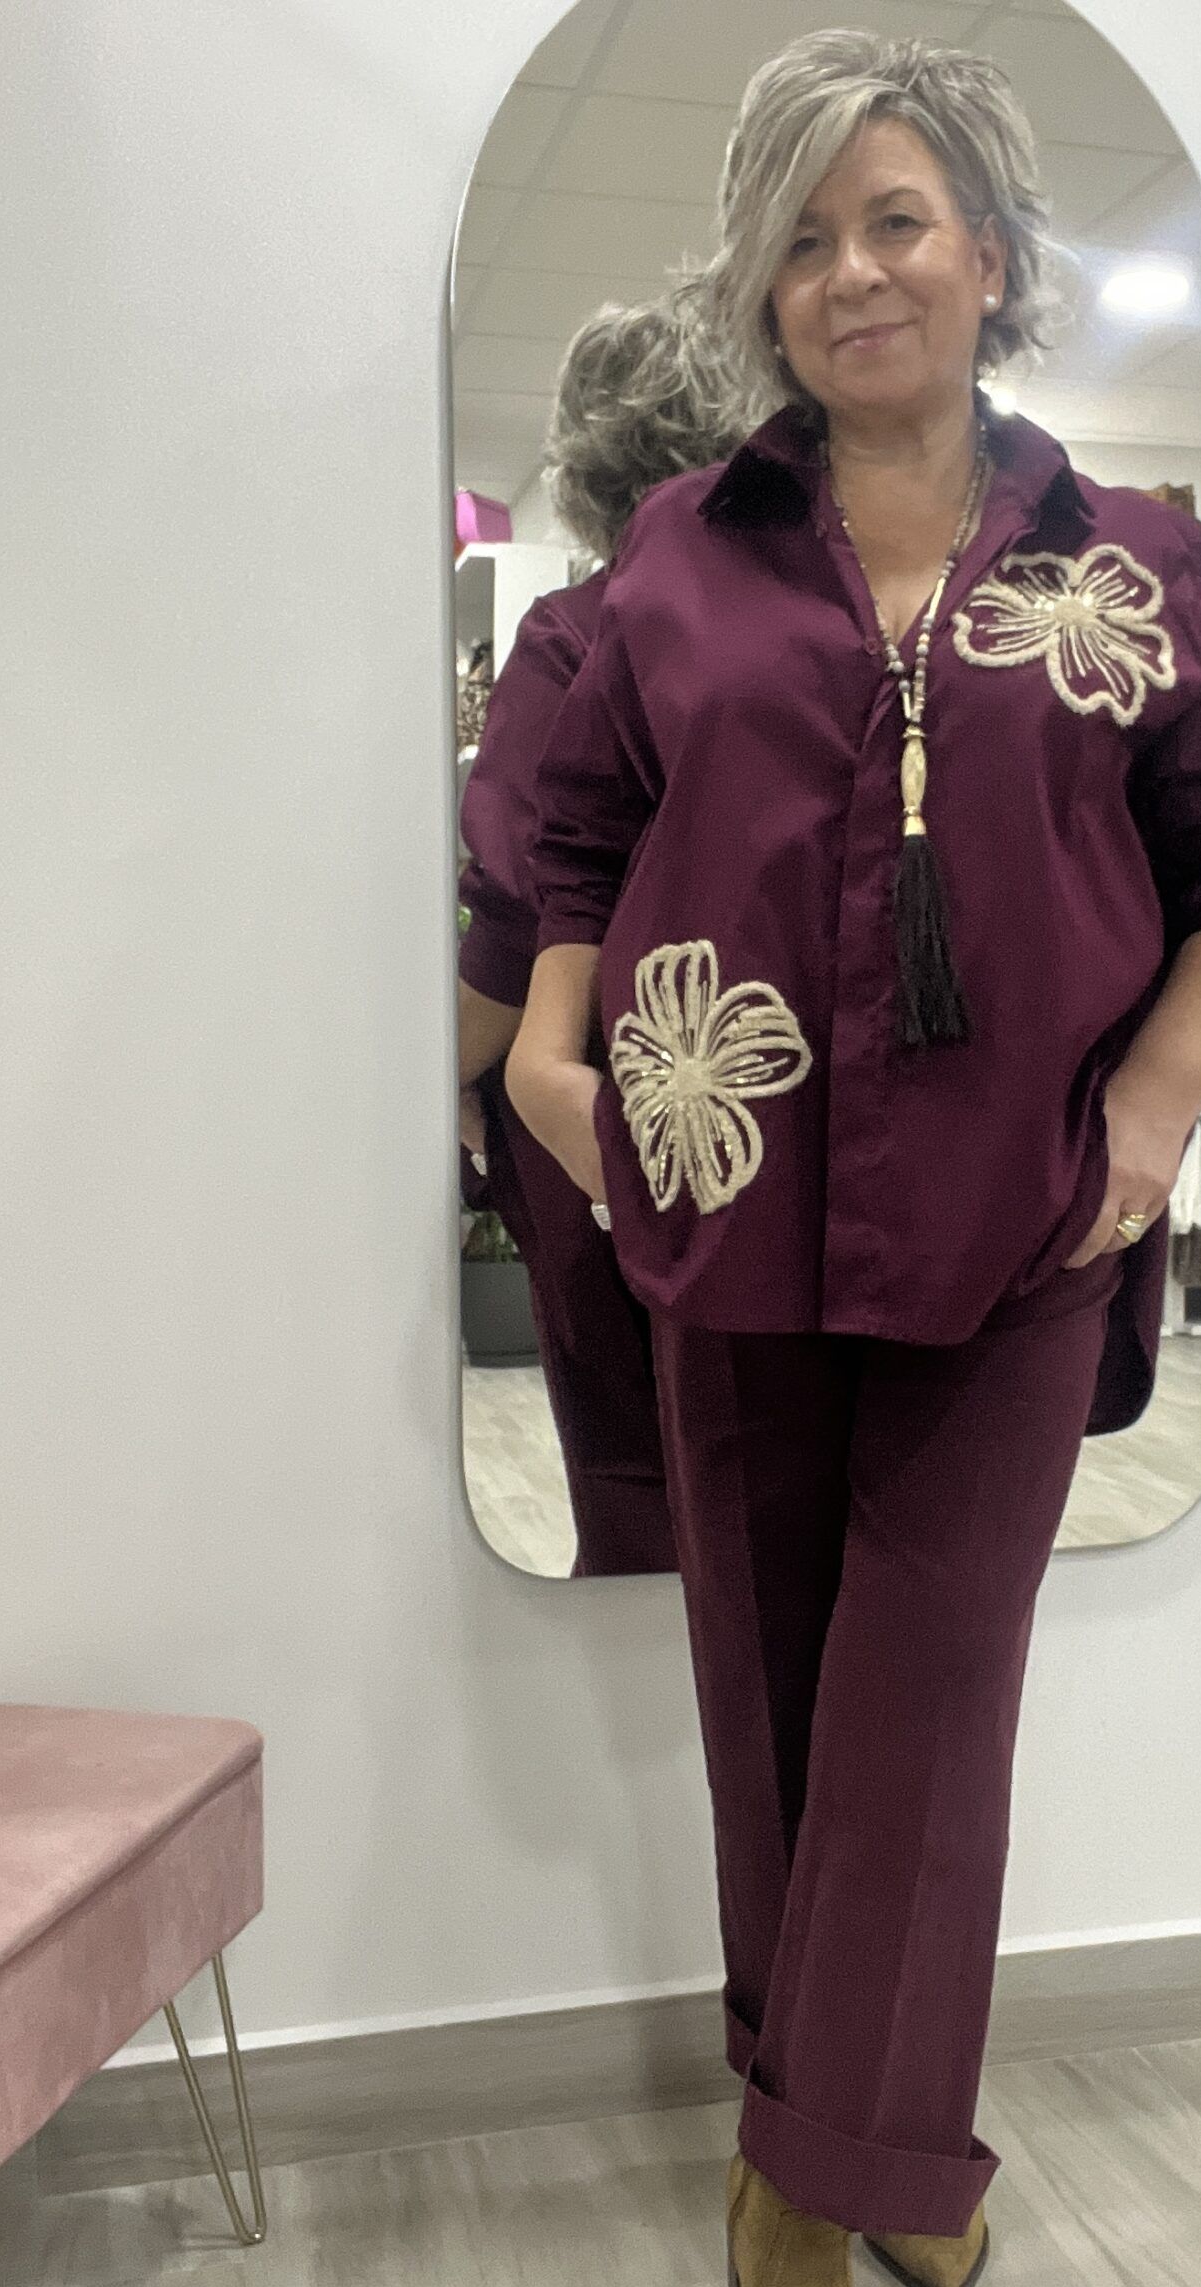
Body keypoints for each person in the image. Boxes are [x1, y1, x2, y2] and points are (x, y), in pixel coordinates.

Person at [508, 31, 1201, 2287]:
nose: (847, 270)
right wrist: (549, 1049)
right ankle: (859, 2149)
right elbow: (575, 830)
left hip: (1018, 1221)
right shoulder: (678, 560)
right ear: (758, 287)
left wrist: (1159, 1097)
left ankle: (797, 2204)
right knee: (769, 1704)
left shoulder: (1138, 564)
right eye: (799, 235)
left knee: (920, 1701)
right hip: (721, 1190)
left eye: (890, 220)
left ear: (986, 247)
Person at [455, 289, 753, 1575]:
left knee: (638, 1469)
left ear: (582, 457)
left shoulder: (576, 637)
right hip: (766, 1095)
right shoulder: (814, 636)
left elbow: (517, 922)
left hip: (593, 1102)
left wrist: (447, 1071)